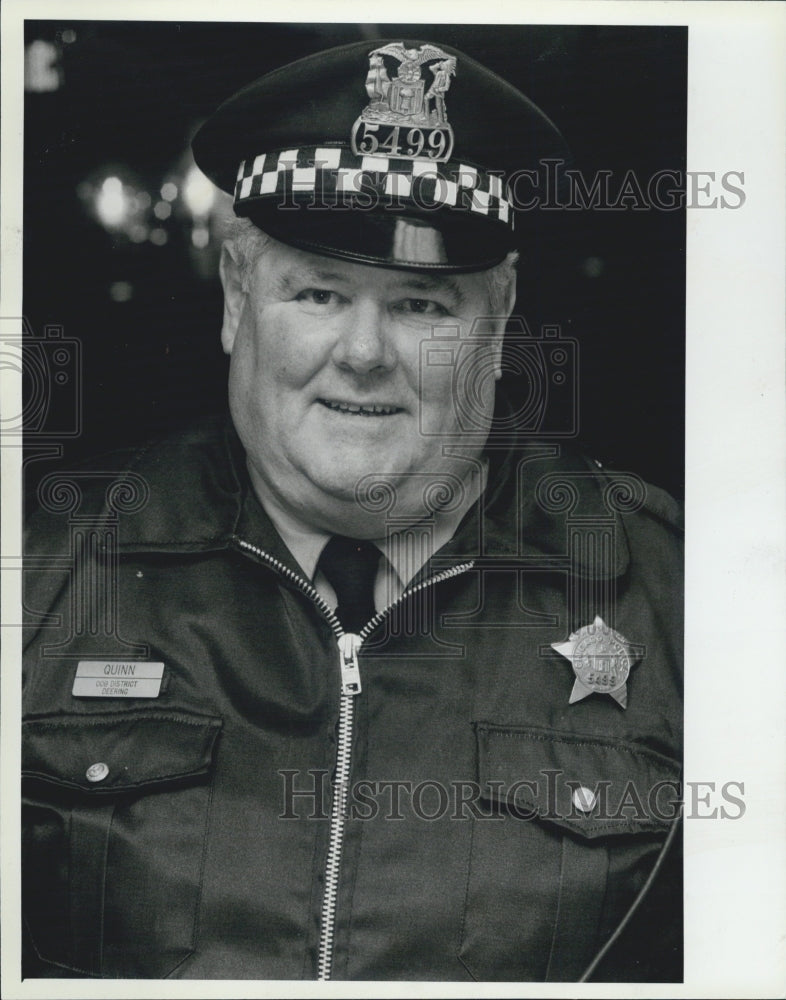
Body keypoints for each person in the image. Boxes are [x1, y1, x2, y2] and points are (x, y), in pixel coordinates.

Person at [22, 37, 683, 982]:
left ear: (497, 326)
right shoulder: (43, 572)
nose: (365, 353)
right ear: (237, 299)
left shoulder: (677, 592)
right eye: (321, 293)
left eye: (421, 306)